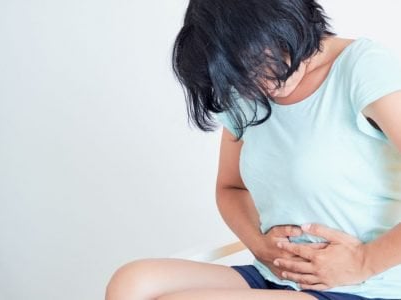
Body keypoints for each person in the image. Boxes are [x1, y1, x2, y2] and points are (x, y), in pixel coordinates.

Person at [105, 1, 401, 299]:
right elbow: (230, 187)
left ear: (288, 23)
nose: (262, 87)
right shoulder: (243, 82)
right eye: (244, 75)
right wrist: (260, 246)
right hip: (276, 276)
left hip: (364, 287)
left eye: (261, 63)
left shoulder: (364, 68)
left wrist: (363, 262)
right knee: (132, 283)